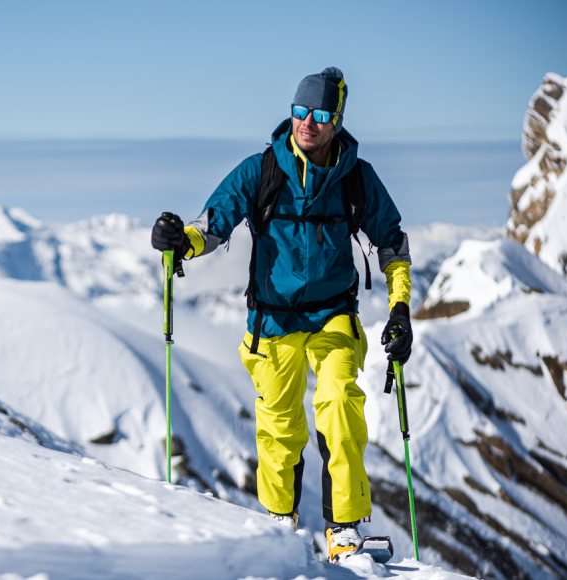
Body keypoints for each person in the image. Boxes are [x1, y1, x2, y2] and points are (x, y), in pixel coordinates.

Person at [151, 67, 413, 564]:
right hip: (272, 321)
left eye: (318, 114)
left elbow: (392, 243)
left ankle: (344, 531)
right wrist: (179, 242)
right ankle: (280, 524)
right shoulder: (261, 171)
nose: (306, 123)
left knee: (340, 406)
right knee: (278, 427)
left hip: (333, 316)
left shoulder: (357, 178)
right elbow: (213, 223)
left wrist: (400, 307)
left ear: (336, 120)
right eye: (299, 112)